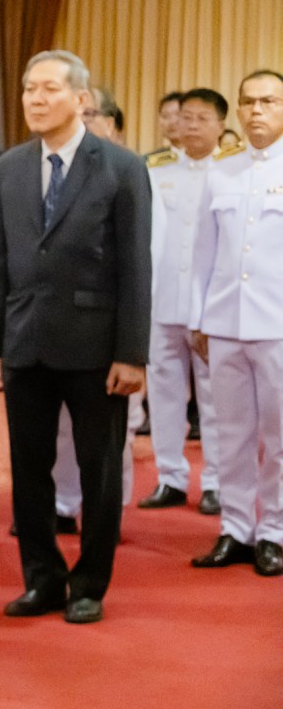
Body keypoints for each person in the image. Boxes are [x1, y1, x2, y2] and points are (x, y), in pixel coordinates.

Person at [0, 50, 152, 625]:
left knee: (98, 470)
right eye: (28, 89)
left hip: (96, 346)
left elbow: (135, 268)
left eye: (48, 89)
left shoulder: (121, 167)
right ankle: (42, 579)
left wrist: (131, 353)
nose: (34, 99)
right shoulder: (9, 168)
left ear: (81, 99)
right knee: (29, 470)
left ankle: (89, 584)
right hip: (25, 341)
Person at [188, 69, 283, 577]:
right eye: (248, 102)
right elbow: (203, 251)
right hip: (225, 321)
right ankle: (236, 527)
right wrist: (198, 317)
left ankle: (275, 532)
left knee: (281, 434)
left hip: (278, 325)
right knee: (232, 433)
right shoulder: (221, 171)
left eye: (268, 101)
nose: (256, 111)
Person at [140, 88, 226, 515]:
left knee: (214, 398)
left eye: (201, 118)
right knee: (164, 394)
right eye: (185, 117)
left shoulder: (231, 171)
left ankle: (216, 482)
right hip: (161, 302)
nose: (190, 125)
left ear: (221, 126)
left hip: (212, 308)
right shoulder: (155, 170)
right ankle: (169, 477)